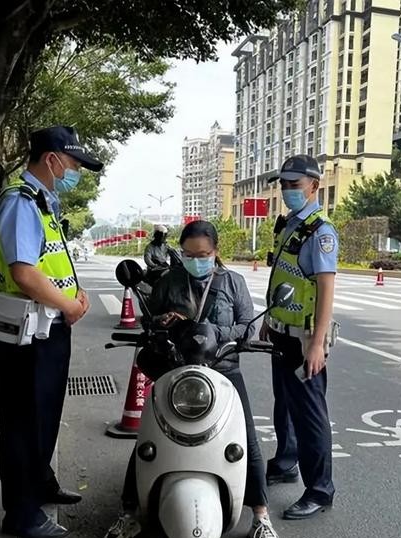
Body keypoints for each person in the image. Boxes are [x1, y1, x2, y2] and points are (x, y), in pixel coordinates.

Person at [104, 220, 279, 538]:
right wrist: (164, 322)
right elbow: (150, 320)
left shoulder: (233, 283)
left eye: (203, 255)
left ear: (215, 252)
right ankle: (129, 512)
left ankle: (261, 516)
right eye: (188, 254)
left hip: (223, 370)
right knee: (148, 439)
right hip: (176, 371)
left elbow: (246, 326)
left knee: (247, 440)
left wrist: (214, 332)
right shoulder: (169, 281)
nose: (196, 260)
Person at [0, 125, 100, 538]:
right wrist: (68, 305)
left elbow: (49, 262)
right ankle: (21, 515)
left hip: (48, 329)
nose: (76, 173)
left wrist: (76, 293)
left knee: (44, 416)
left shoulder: (42, 202)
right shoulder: (21, 201)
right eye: (74, 164)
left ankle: (40, 484)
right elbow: (24, 272)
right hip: (30, 334)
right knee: (25, 423)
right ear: (52, 159)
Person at [260, 154, 338, 520]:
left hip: (304, 340)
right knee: (284, 403)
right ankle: (285, 461)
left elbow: (325, 290)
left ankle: (320, 490)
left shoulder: (320, 232)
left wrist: (318, 344)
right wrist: (269, 319)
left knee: (309, 416)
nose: (288, 190)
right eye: (284, 185)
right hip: (281, 332)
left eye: (295, 184)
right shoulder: (292, 224)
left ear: (314, 186)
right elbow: (282, 276)